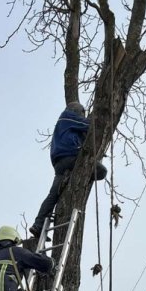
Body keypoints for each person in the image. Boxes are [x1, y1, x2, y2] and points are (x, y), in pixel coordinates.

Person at [30, 101, 107, 238]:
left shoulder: (65, 124)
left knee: (53, 195)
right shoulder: (68, 116)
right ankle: (79, 178)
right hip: (70, 156)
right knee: (102, 171)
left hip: (60, 163)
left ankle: (38, 224)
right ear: (77, 111)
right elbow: (90, 125)